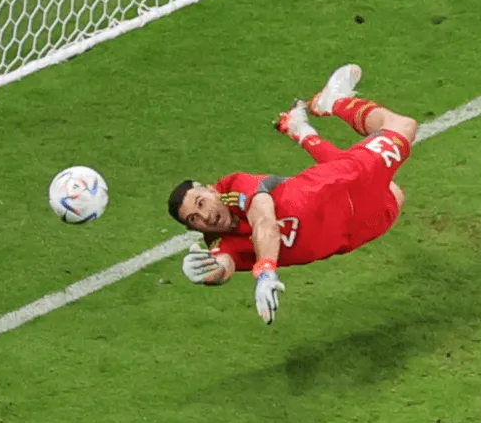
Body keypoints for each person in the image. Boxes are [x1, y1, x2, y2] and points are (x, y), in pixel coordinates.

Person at [167, 64, 418, 324]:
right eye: (194, 219)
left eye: (201, 203)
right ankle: (300, 130)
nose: (205, 216)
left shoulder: (235, 186)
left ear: (211, 190)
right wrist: (206, 274)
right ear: (192, 229)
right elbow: (223, 266)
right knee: (394, 193)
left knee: (403, 126)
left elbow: (264, 220)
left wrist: (266, 270)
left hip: (342, 181)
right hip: (356, 230)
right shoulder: (220, 242)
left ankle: (335, 101)